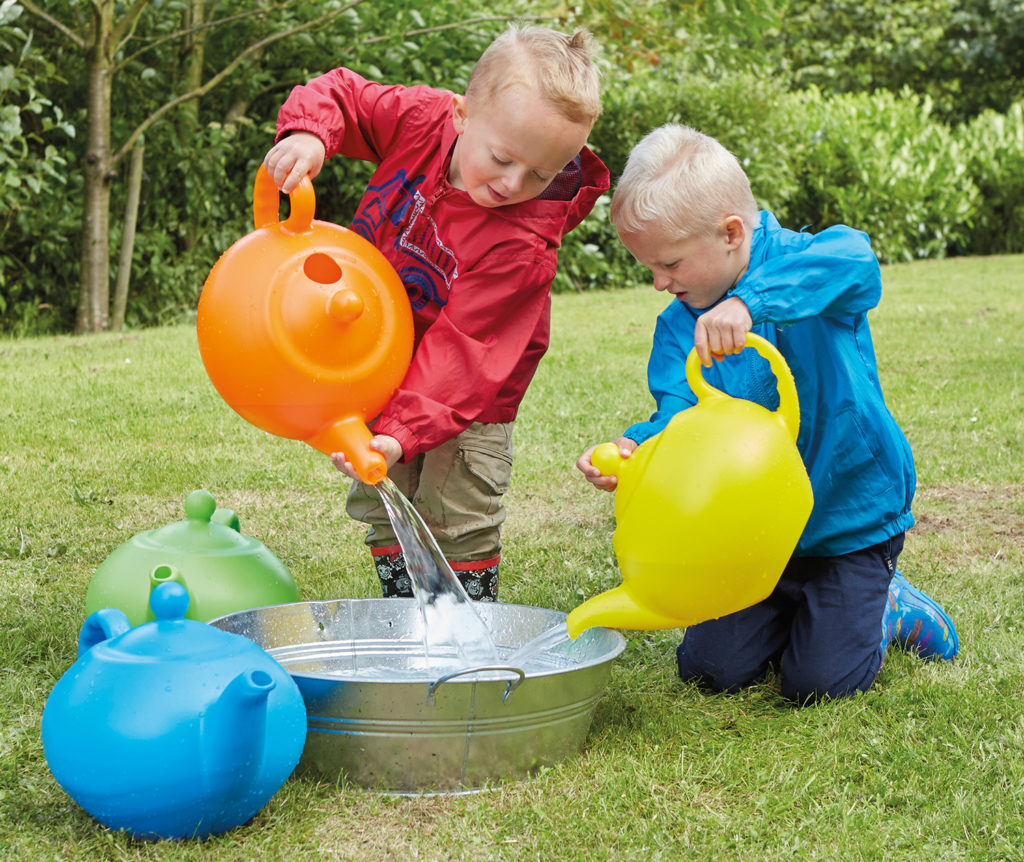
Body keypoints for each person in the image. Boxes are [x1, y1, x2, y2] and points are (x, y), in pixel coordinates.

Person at [576, 124, 957, 704]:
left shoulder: (810, 263)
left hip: (846, 521)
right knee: (711, 671)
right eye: (648, 266)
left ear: (732, 232)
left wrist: (750, 303)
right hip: (751, 539)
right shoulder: (680, 325)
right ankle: (799, 612)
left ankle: (887, 606)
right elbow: (678, 416)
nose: (658, 282)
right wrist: (637, 451)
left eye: (670, 263)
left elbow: (857, 260)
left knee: (819, 684)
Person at [264, 25, 609, 601]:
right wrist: (310, 135)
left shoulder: (521, 246)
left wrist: (403, 432)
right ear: (463, 113)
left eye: (541, 174)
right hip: (381, 362)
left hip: (471, 395)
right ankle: (408, 618)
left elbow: (466, 350)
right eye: (502, 158)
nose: (512, 184)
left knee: (457, 511)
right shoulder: (422, 121)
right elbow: (343, 95)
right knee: (381, 495)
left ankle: (464, 632)